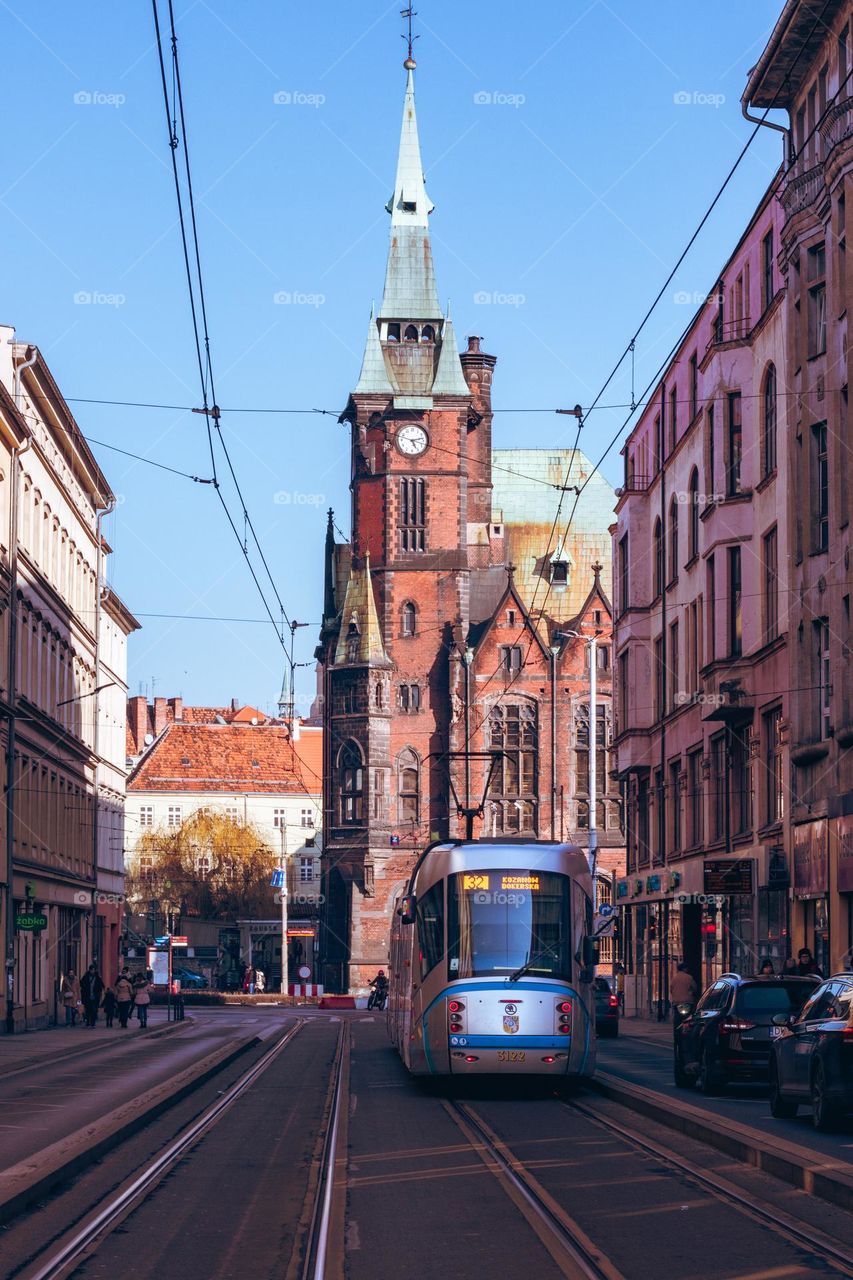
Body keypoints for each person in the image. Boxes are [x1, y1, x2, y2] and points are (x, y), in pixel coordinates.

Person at [80, 963, 104, 1027]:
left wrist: (99, 993)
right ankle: (88, 1022)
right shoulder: (85, 977)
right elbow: (81, 984)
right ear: (89, 970)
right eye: (91, 970)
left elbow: (101, 985)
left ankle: (93, 1023)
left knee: (94, 1010)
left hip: (95, 997)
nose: (92, 971)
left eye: (93, 970)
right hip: (87, 996)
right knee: (88, 1010)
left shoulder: (98, 977)